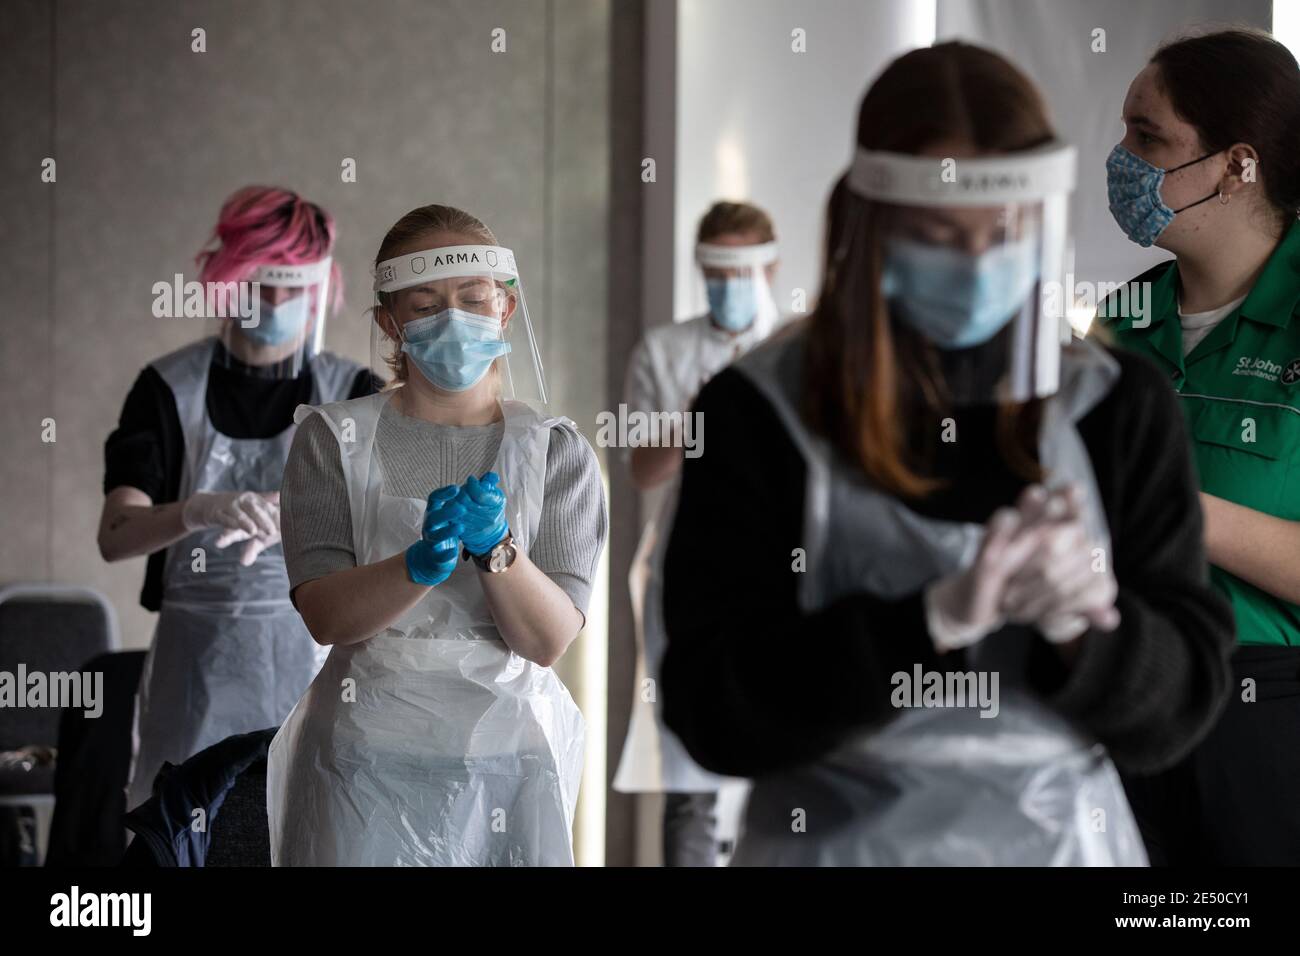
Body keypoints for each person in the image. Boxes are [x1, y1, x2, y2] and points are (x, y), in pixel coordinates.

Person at [660, 42, 1234, 866]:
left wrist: (1088, 631)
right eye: (936, 234)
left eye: (1001, 234)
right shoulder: (760, 412)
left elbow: (1178, 715)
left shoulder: (1118, 406)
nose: (974, 266)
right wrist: (927, 623)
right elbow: (715, 713)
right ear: (870, 219)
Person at [267, 204, 607, 866]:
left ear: (504, 308)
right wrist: (414, 567)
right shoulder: (331, 439)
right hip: (361, 766)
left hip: (508, 765)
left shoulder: (555, 452)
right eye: (425, 303)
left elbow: (547, 641)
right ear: (390, 323)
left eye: (473, 298)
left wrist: (499, 551)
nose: (453, 318)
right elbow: (326, 616)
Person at [1095, 28, 1300, 865]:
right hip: (1119, 691)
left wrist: (1172, 506)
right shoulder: (1118, 323)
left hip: (1264, 713)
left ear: (1236, 163)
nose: (1123, 158)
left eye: (1149, 137)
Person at [100, 186, 371, 811]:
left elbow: (395, 539)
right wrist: (196, 510)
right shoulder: (168, 389)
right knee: (183, 834)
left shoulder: (354, 395)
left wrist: (311, 520)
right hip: (193, 678)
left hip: (317, 671)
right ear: (225, 279)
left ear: (319, 289)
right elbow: (115, 534)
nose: (275, 303)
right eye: (259, 285)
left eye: (291, 288)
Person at [613, 200, 785, 867]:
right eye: (715, 271)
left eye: (741, 271)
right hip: (693, 571)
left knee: (787, 755)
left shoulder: (797, 345)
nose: (729, 286)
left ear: (771, 265)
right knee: (690, 770)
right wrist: (700, 419)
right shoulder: (665, 350)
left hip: (786, 575)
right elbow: (638, 469)